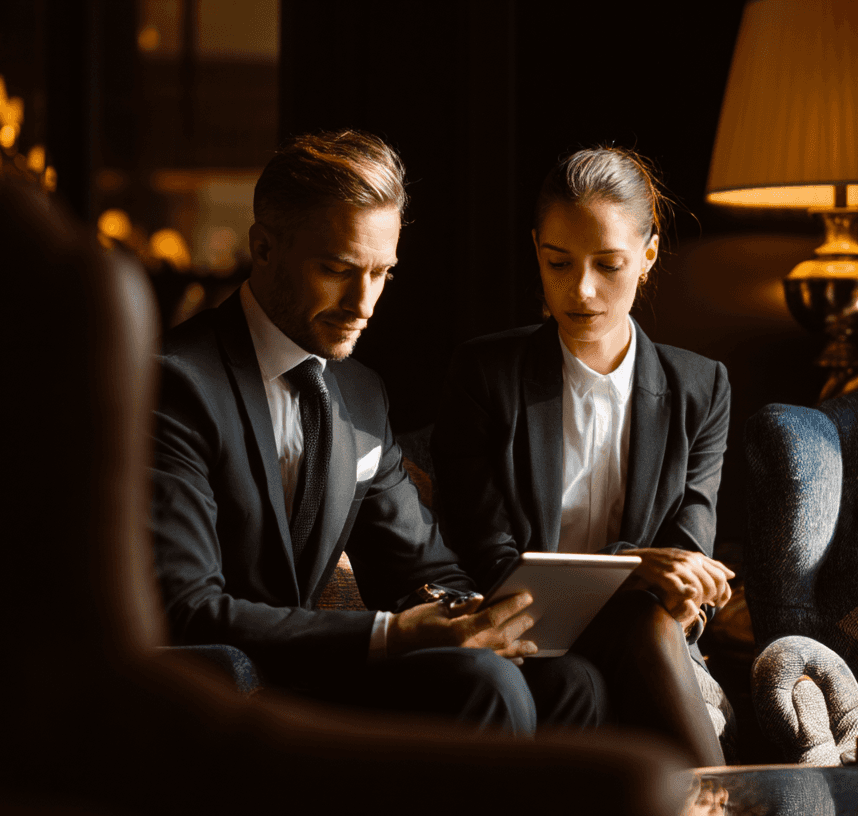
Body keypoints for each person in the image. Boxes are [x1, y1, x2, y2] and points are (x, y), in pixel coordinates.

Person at [150, 130, 605, 734]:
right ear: (262, 249)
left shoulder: (361, 393)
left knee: (570, 682)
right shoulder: (174, 385)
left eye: (382, 273)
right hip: (222, 683)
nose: (364, 303)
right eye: (338, 270)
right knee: (485, 684)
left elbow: (420, 565)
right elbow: (188, 609)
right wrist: (390, 634)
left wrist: (467, 613)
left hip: (324, 677)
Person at [432, 146, 735, 765]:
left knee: (649, 623)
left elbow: (688, 547)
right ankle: (728, 800)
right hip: (527, 628)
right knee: (592, 668)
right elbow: (491, 558)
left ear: (648, 256)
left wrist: (678, 586)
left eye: (609, 264)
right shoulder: (486, 376)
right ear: (536, 248)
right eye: (557, 262)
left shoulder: (701, 389)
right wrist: (633, 564)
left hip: (653, 632)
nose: (581, 289)